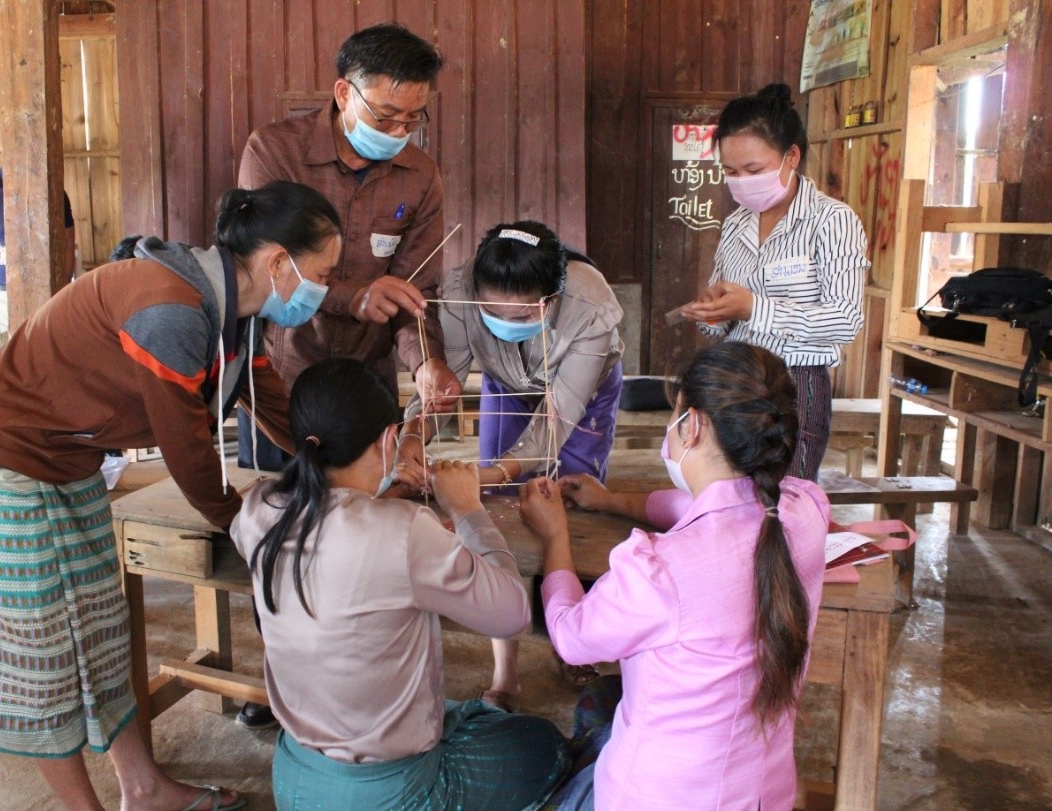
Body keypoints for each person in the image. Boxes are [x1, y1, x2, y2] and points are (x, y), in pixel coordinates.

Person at [0, 181, 342, 811]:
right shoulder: (172, 312)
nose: (326, 288)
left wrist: (352, 463)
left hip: (67, 461)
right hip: (1, 460)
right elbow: (187, 451)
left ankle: (143, 787)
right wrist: (247, 525)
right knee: (43, 653)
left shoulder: (235, 312)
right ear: (278, 263)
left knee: (97, 628)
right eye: (324, 272)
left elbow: (274, 405)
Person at [230, 357, 570, 811]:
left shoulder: (257, 508)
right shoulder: (403, 529)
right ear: (392, 439)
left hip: (294, 779)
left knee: (455, 712)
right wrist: (468, 508)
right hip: (389, 795)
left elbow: (329, 532)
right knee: (542, 744)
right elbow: (511, 614)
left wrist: (376, 498)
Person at [519, 342, 828, 810]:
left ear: (694, 426)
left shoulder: (659, 571)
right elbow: (704, 507)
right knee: (603, 705)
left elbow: (571, 636)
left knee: (582, 730)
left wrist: (555, 536)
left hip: (653, 796)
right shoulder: (804, 512)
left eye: (675, 414)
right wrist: (612, 501)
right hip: (764, 793)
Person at [403, 219, 624, 711]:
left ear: (552, 297)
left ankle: (576, 634)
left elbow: (554, 424)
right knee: (496, 515)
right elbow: (445, 388)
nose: (503, 320)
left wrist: (483, 476)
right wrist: (413, 437)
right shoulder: (458, 291)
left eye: (521, 313)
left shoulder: (590, 307)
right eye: (490, 311)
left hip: (577, 398)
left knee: (567, 504)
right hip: (505, 382)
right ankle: (506, 668)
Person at [237, 21, 462, 470]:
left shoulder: (420, 176)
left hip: (367, 385)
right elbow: (266, 272)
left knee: (364, 516)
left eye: (413, 118)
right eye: (385, 115)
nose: (399, 131)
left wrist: (426, 363)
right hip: (282, 378)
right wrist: (354, 298)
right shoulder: (274, 153)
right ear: (344, 93)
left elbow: (417, 292)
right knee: (276, 515)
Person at [678, 83, 869, 480]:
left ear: (791, 156)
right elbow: (722, 315)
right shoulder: (735, 224)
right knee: (729, 496)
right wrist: (713, 313)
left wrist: (754, 307)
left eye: (753, 170)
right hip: (736, 381)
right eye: (730, 172)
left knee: (786, 500)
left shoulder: (832, 221)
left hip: (796, 383)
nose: (741, 181)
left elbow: (845, 319)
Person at [0, 167, 77, 359]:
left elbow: (68, 243)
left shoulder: (53, 191)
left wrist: (61, 291)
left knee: (42, 361)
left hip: (42, 295)